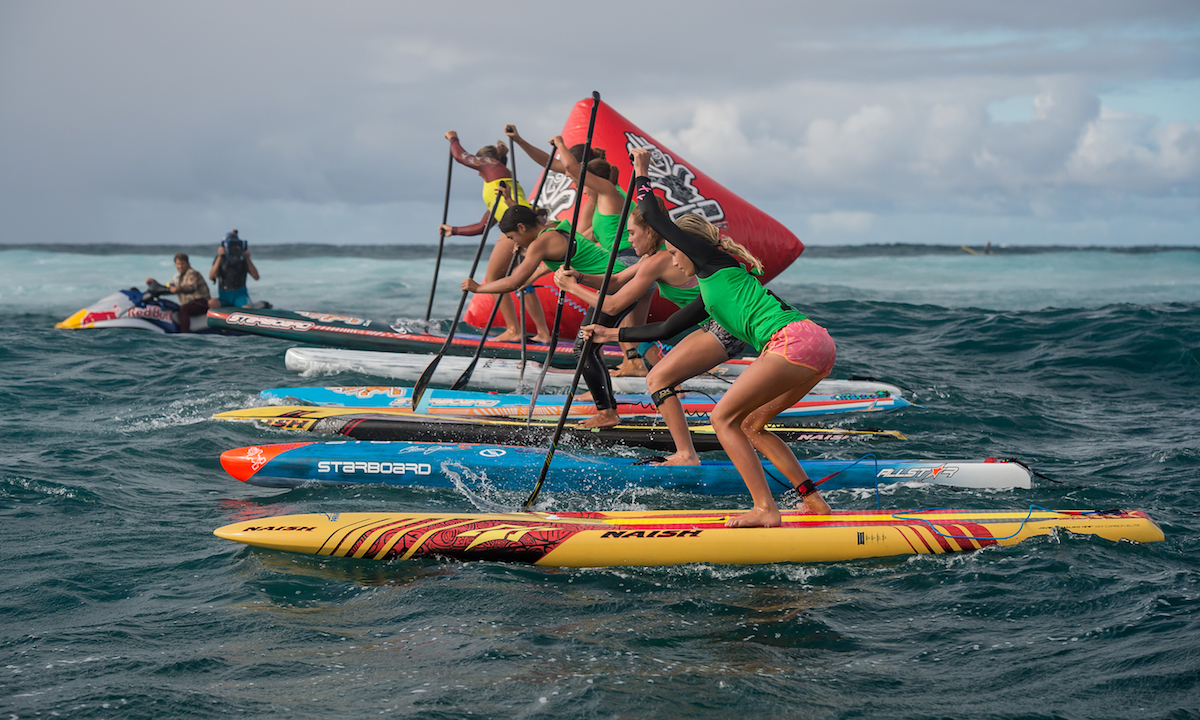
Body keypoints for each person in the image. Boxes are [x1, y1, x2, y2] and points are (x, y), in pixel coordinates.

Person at [581, 149, 836, 526]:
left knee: (723, 419)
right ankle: (814, 502)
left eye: (673, 251)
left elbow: (653, 215)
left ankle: (766, 510)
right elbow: (665, 329)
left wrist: (641, 172)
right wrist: (609, 333)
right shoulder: (712, 290)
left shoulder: (710, 259)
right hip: (818, 344)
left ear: (687, 247)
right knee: (751, 425)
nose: (674, 260)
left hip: (790, 343)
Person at [555, 194, 748, 465]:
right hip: (721, 325)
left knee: (658, 379)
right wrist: (581, 277)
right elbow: (616, 281)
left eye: (632, 233)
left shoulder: (659, 261)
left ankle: (686, 454)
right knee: (662, 376)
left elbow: (611, 305)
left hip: (724, 327)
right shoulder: (654, 260)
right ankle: (693, 436)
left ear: (649, 230)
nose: (629, 239)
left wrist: (571, 288)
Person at [462, 204, 629, 429]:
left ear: (522, 227)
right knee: (589, 345)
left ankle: (607, 412)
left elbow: (513, 282)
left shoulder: (541, 242)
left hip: (616, 284)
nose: (515, 243)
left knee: (583, 347)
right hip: (618, 279)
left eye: (513, 237)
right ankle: (605, 404)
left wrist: (478, 288)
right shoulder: (551, 229)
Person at [550, 136, 653, 377]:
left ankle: (608, 373)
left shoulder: (608, 191)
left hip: (627, 262)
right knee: (634, 328)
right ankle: (641, 367)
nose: (579, 187)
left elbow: (571, 167)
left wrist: (560, 144)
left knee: (597, 329)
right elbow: (581, 239)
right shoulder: (601, 206)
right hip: (639, 264)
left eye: (581, 183)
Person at [440, 130, 550, 344]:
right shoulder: (497, 184)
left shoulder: (492, 167)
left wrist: (452, 138)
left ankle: (513, 330)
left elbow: (459, 156)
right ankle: (543, 334)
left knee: (494, 278)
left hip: (520, 229)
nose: (477, 171)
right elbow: (483, 226)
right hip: (523, 228)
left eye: (478, 165)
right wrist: (453, 230)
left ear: (485, 160)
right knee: (523, 282)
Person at [147, 253, 211, 333]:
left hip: (201, 302)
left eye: (182, 264)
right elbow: (170, 289)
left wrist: (178, 288)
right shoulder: (177, 277)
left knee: (184, 309)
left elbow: (191, 287)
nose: (180, 266)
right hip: (189, 305)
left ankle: (184, 334)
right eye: (178, 264)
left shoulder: (193, 273)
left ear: (188, 263)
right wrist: (156, 284)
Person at [208, 230, 260, 308]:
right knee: (211, 303)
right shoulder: (221, 259)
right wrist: (219, 256)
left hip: (240, 296)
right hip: (224, 297)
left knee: (246, 308)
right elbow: (211, 277)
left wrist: (248, 259)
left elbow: (256, 277)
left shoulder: (243, 259)